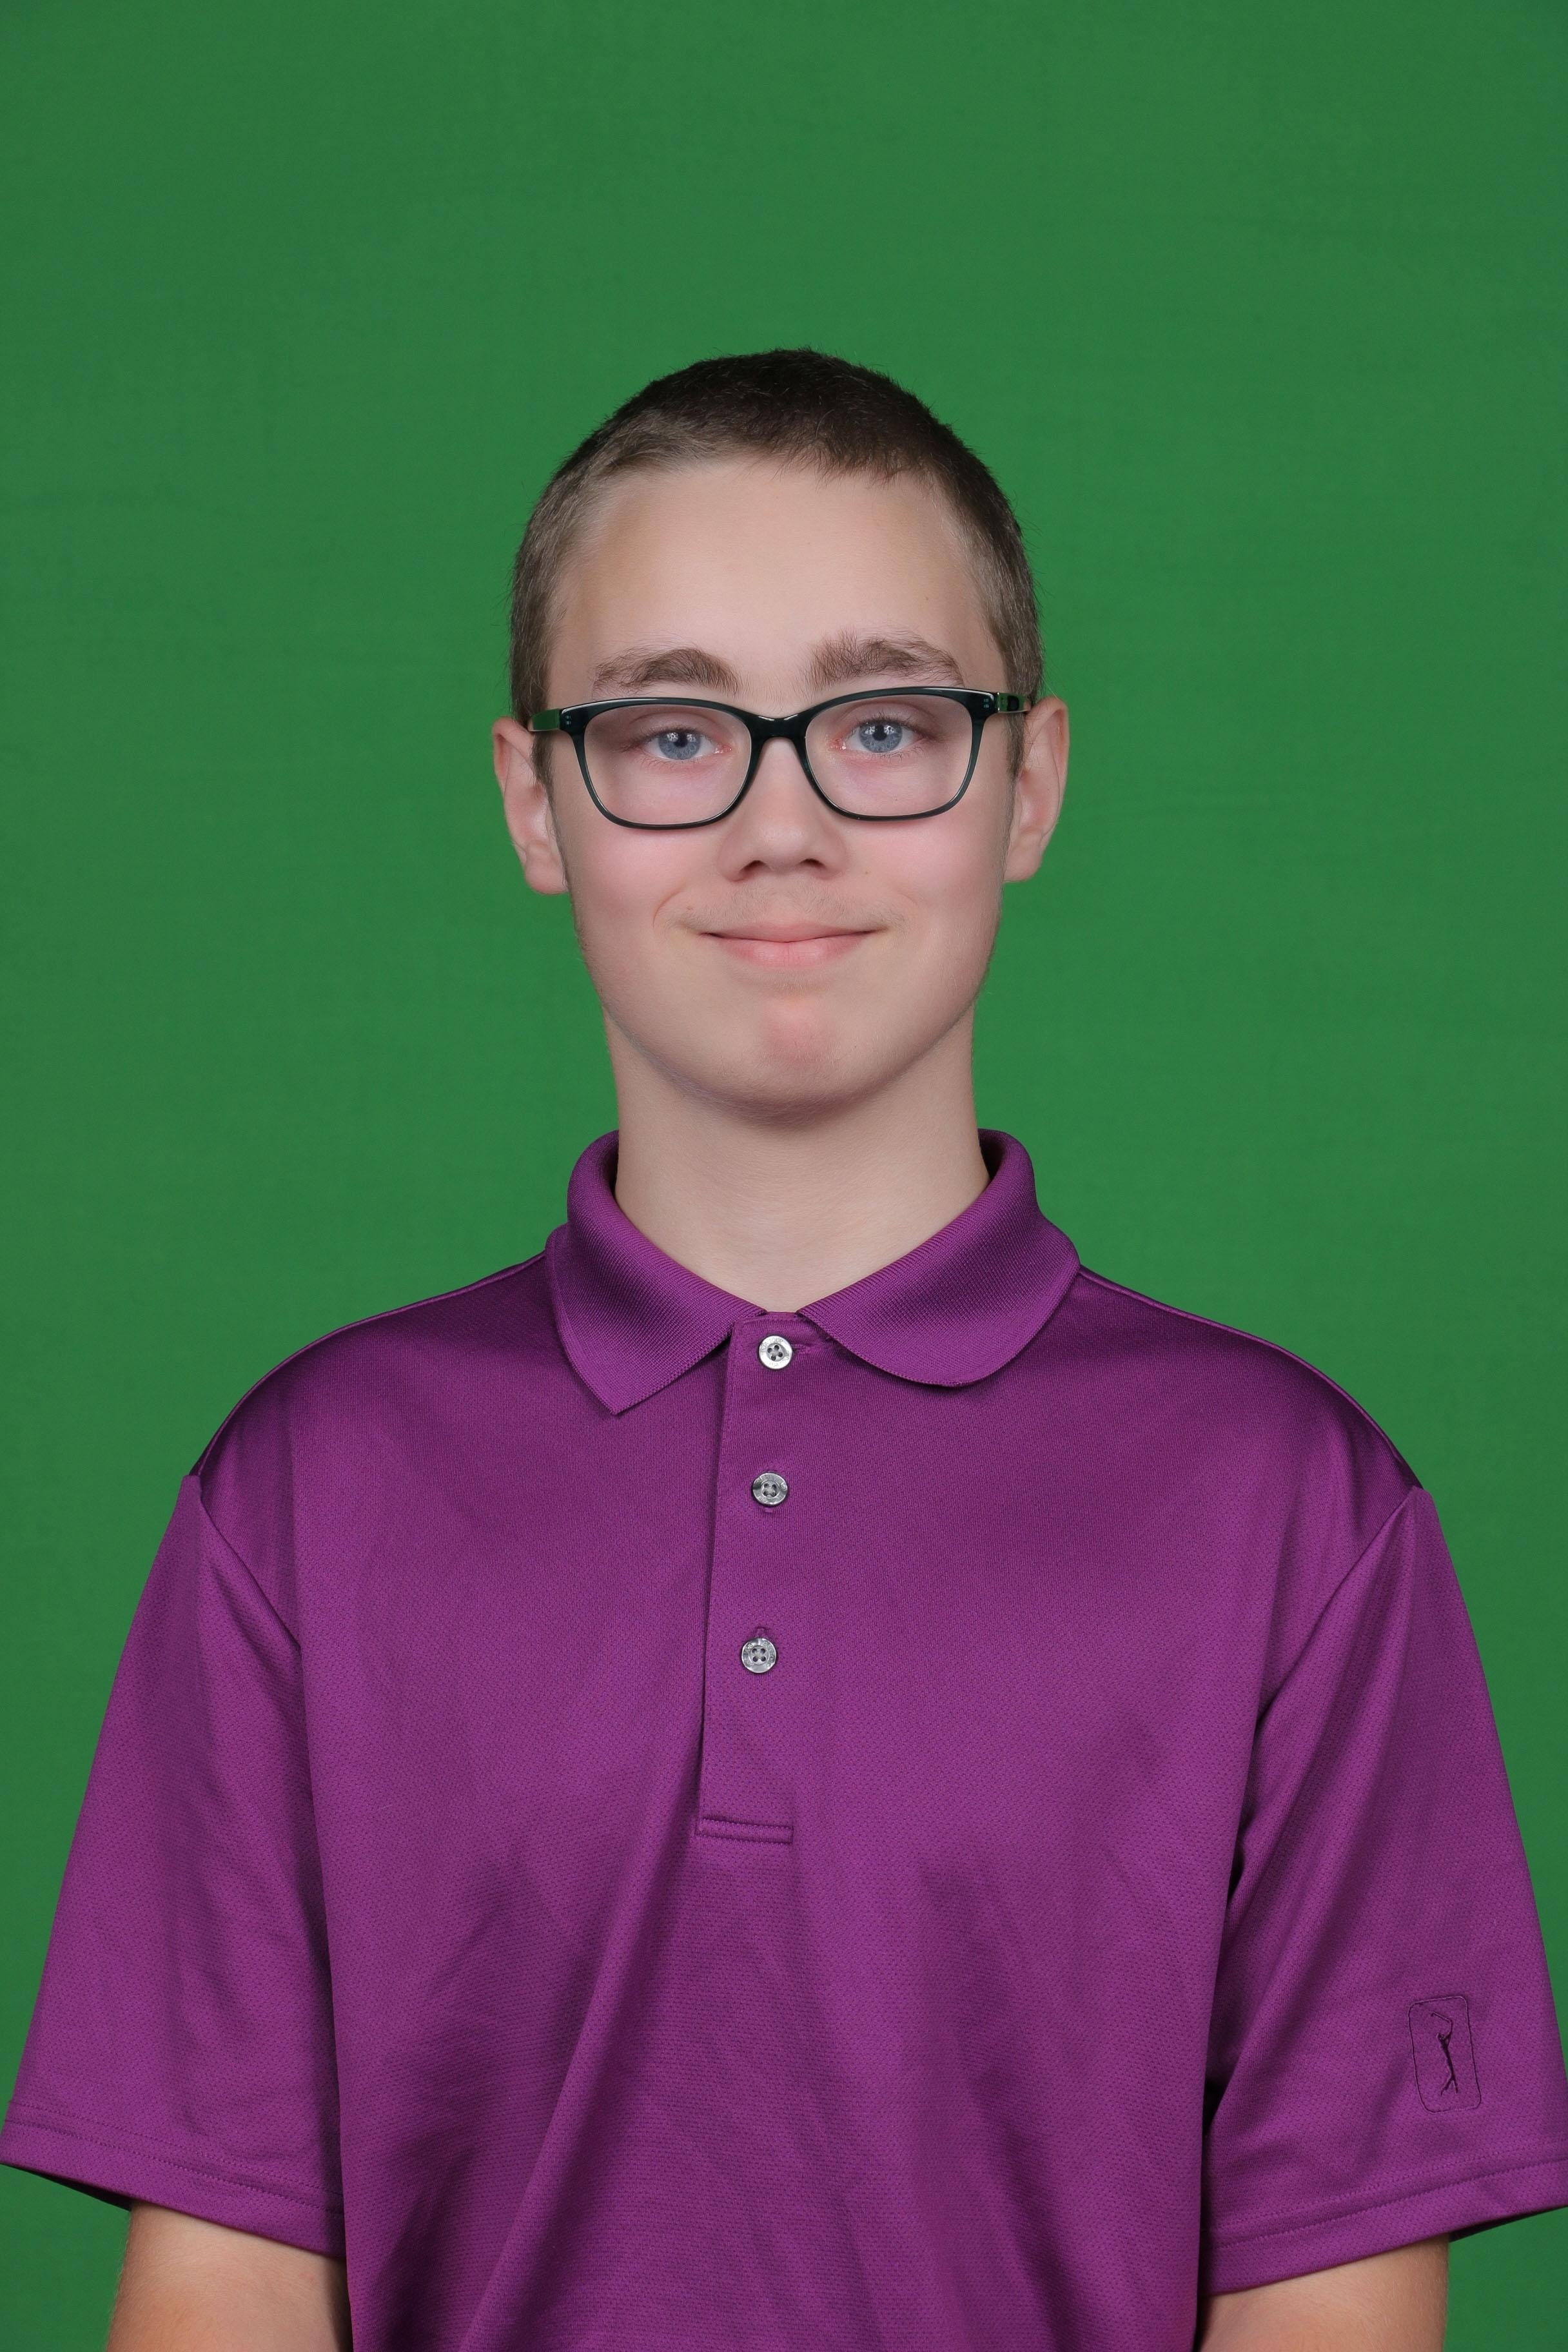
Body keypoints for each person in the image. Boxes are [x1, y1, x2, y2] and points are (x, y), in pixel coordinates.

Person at [4, 349, 1565, 2351]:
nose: (782, 824)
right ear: (535, 802)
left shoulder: (1296, 1511)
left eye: (885, 724)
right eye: (672, 733)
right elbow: (220, 2286)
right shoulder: (306, 1494)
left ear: (1030, 784)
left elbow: (1331, 2309)